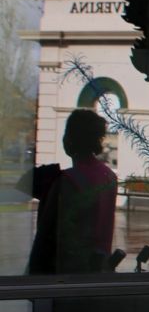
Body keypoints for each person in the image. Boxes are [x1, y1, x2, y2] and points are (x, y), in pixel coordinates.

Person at [28, 109, 117, 274]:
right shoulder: (109, 176)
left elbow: (47, 237)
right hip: (100, 269)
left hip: (69, 273)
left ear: (71, 139)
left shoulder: (67, 180)